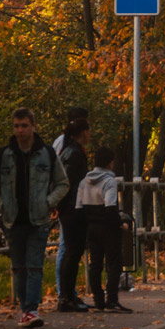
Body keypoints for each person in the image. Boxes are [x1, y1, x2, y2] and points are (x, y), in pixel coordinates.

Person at [0, 108, 70, 328]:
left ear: (33, 126)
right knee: (18, 266)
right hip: (13, 219)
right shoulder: (4, 155)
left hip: (38, 219)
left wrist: (48, 202)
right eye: (16, 126)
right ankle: (26, 308)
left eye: (24, 125)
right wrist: (1, 205)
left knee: (34, 265)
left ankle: (31, 309)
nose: (20, 130)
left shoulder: (47, 153)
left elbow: (63, 183)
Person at [77, 147, 131, 312]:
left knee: (95, 264)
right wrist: (121, 224)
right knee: (114, 263)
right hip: (108, 228)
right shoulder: (109, 181)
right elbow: (110, 208)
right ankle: (112, 300)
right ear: (110, 163)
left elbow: (79, 208)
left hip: (91, 227)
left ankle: (98, 300)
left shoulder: (84, 181)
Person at [53, 107, 89, 307]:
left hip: (69, 207)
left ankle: (68, 295)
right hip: (73, 209)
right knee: (71, 252)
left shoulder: (69, 149)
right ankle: (66, 296)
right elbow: (70, 182)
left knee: (71, 251)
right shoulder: (74, 153)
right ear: (83, 131)